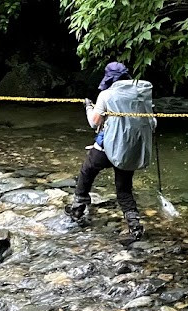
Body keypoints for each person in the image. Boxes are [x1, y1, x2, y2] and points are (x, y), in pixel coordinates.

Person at [64, 62, 156, 245]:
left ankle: (77, 208)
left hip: (109, 147)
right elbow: (152, 123)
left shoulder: (107, 95)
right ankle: (135, 227)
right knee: (124, 189)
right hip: (130, 150)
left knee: (87, 170)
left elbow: (94, 122)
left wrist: (89, 107)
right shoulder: (141, 94)